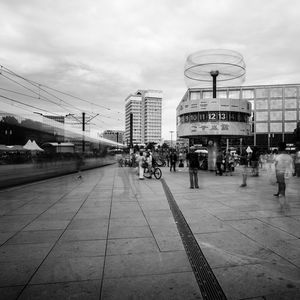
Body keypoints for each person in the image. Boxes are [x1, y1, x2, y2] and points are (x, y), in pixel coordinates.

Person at [274, 142, 294, 209]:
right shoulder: (289, 156)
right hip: (287, 173)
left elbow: (275, 165)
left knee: (281, 184)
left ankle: (282, 198)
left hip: (279, 172)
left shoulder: (278, 156)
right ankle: (282, 194)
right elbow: (291, 165)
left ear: (279, 148)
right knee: (283, 184)